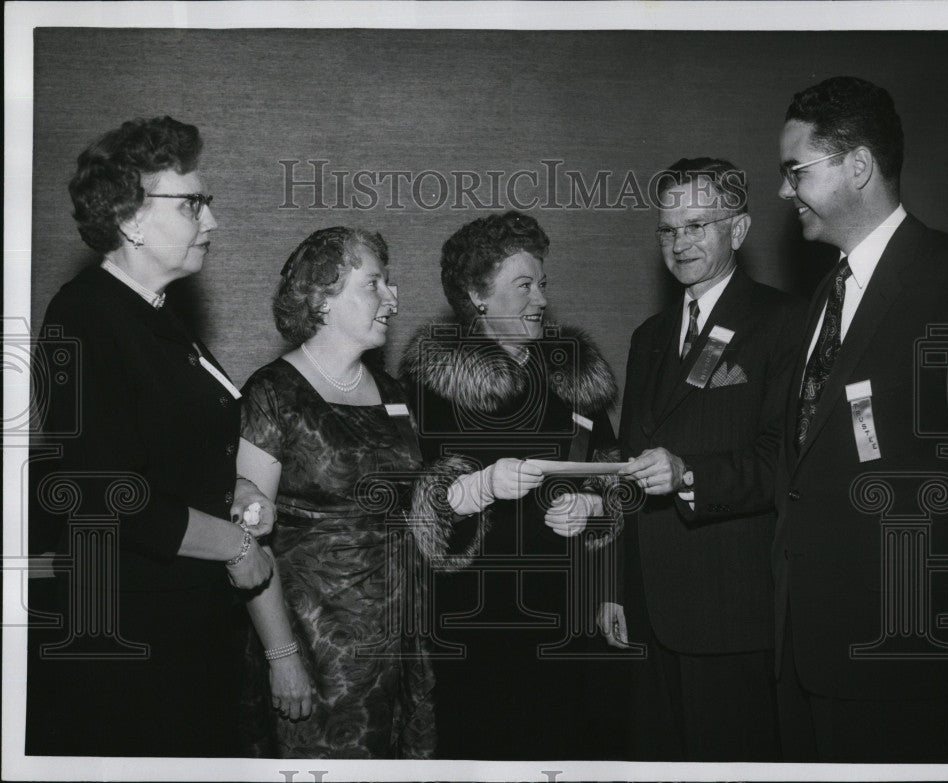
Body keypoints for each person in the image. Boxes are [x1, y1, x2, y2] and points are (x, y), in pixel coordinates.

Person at [235, 226, 542, 758]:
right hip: (316, 648)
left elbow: (418, 510)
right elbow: (248, 543)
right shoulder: (271, 395)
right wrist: (281, 656)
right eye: (374, 283)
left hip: (402, 648)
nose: (393, 297)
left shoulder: (396, 395)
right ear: (322, 298)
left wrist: (486, 485)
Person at [28, 116, 275, 757]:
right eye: (192, 204)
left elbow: (174, 452)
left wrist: (238, 484)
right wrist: (236, 543)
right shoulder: (85, 313)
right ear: (130, 219)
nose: (211, 221)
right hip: (126, 635)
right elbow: (98, 487)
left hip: (185, 622)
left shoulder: (158, 316)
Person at [773, 76, 948, 762]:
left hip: (903, 662)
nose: (783, 190)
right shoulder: (824, 293)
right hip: (807, 652)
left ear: (857, 166)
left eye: (795, 171)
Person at [400, 210, 621, 759]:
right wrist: (477, 488)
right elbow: (409, 514)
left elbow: (618, 477)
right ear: (477, 294)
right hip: (472, 624)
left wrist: (596, 506)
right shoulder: (427, 390)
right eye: (523, 285)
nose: (541, 299)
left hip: (570, 618)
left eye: (542, 283)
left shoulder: (573, 375)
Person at [606, 159, 806, 760]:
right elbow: (628, 469)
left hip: (732, 613)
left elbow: (785, 464)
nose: (680, 243)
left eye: (698, 225)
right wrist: (615, 588)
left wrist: (689, 474)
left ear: (739, 230)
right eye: (668, 230)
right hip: (649, 614)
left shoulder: (787, 322)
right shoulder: (649, 335)